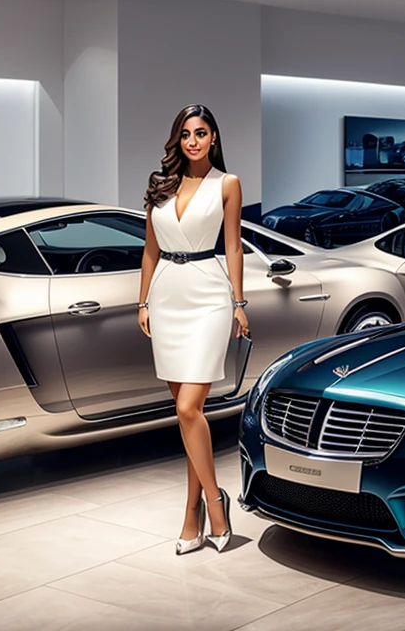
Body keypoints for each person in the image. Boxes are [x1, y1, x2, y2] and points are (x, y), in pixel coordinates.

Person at [137, 104, 250, 555]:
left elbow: (234, 246)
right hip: (166, 295)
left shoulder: (227, 184)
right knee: (190, 421)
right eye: (185, 134)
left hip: (208, 295)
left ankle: (214, 502)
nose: (193, 141)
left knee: (189, 408)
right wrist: (143, 300)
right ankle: (192, 514)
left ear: (214, 139)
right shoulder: (160, 186)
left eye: (201, 133)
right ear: (177, 140)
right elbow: (149, 250)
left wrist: (240, 303)